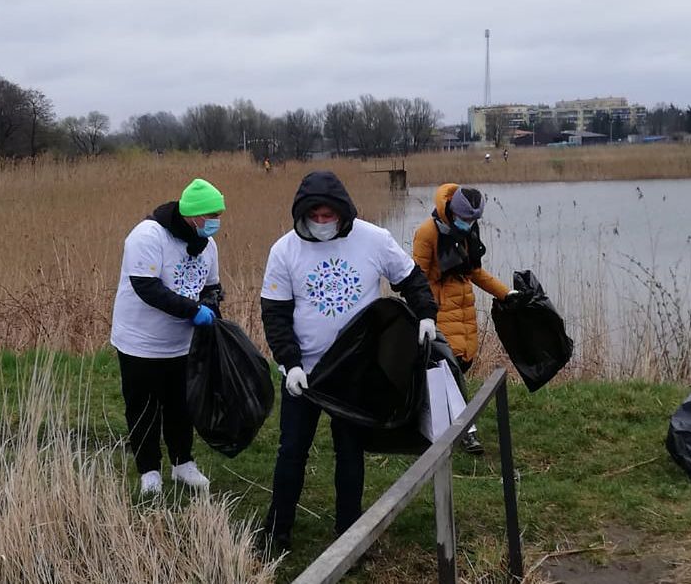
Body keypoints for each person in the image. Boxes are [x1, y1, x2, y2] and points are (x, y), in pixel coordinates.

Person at [260, 170, 438, 551]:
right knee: (292, 450)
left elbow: (411, 279)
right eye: (315, 217)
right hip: (304, 374)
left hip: (355, 370)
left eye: (329, 217)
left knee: (350, 450)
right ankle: (277, 532)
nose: (322, 224)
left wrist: (425, 314)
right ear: (303, 215)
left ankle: (348, 530)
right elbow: (274, 313)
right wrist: (289, 362)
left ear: (343, 213)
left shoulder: (374, 240)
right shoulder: (284, 250)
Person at [110, 178, 226, 495]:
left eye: (219, 214)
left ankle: (182, 463)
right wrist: (192, 311)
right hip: (140, 341)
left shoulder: (208, 245)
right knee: (144, 406)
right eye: (211, 214)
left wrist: (211, 306)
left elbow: (211, 286)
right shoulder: (147, 237)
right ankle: (149, 470)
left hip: (182, 344)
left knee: (180, 405)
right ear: (193, 214)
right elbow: (147, 287)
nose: (216, 221)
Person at [412, 183, 517, 453]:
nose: (468, 224)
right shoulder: (427, 233)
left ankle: (439, 422)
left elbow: (476, 272)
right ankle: (467, 431)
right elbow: (416, 277)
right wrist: (424, 313)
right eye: (465, 218)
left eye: (473, 220)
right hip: (439, 309)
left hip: (464, 308)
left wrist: (506, 294)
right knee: (449, 366)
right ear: (451, 211)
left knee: (460, 365)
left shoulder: (467, 232)